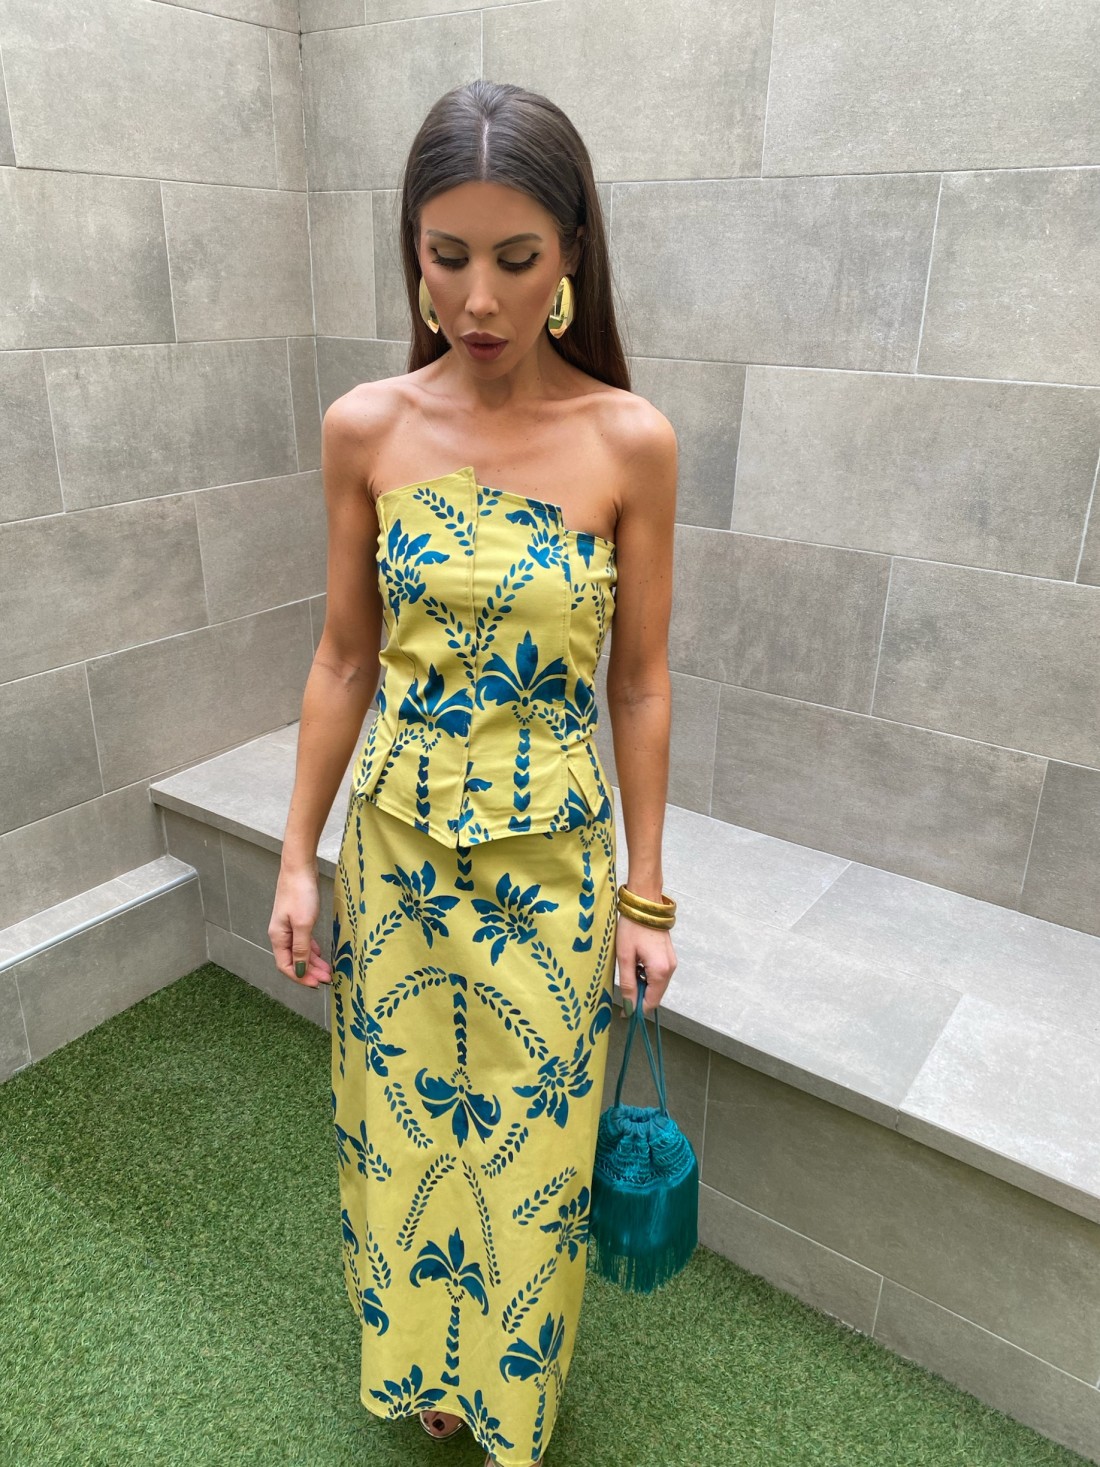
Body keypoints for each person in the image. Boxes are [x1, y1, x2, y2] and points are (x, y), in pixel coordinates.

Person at [268, 79, 678, 1467]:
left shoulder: (630, 441)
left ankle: (509, 1407)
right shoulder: (365, 427)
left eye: (516, 258)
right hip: (394, 864)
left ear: (572, 256)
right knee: (403, 1135)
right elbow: (343, 659)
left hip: (553, 874)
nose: (479, 300)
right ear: (413, 250)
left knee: (532, 1155)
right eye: (448, 258)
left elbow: (639, 683)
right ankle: (424, 1375)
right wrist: (295, 858)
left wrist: (647, 897)